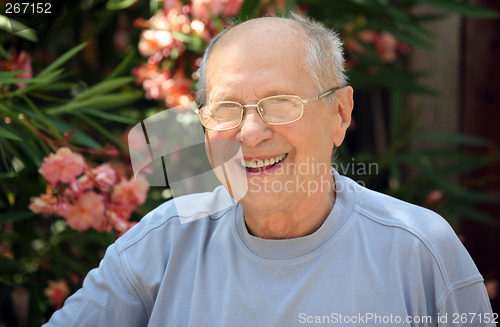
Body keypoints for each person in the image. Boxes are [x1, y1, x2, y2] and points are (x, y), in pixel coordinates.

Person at [44, 14, 495, 326]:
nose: (251, 132)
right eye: (226, 109)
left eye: (280, 103)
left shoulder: (420, 251)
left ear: (340, 113)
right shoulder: (161, 244)